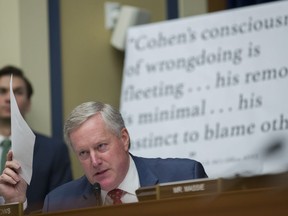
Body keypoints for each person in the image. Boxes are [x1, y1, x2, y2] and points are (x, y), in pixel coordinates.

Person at [0, 101, 207, 213]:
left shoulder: (184, 176)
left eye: (101, 146)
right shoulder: (59, 202)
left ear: (124, 139)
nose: (95, 161)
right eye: (83, 153)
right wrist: (16, 204)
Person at [0, 65, 73, 212]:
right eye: (2, 91)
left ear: (28, 103)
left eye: (18, 92)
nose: (9, 98)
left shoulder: (54, 151)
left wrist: (20, 205)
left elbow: (61, 208)